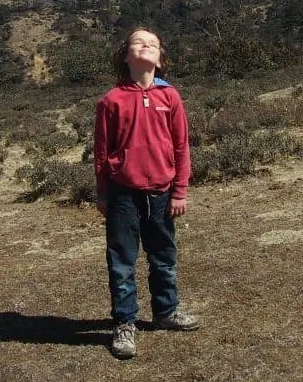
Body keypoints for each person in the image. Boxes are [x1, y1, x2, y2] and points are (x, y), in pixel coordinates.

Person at [94, 27, 200, 359]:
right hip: (123, 194)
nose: (147, 45)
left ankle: (166, 312)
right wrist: (103, 194)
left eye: (154, 43)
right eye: (139, 42)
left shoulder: (170, 97)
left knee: (164, 257)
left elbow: (182, 147)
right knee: (122, 262)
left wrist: (180, 191)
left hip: (162, 193)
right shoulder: (111, 100)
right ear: (126, 56)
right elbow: (101, 152)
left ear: (160, 57)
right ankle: (125, 323)